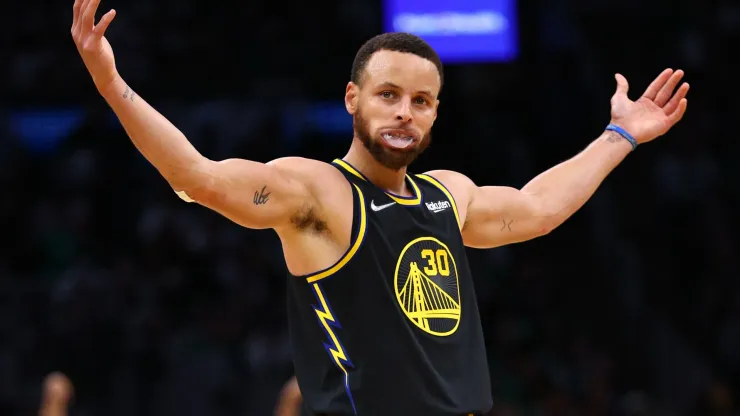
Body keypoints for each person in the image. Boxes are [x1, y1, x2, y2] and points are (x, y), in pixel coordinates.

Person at [70, 0, 689, 414]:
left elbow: (538, 206)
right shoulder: (314, 193)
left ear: (436, 113)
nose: (404, 111)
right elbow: (196, 176)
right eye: (388, 94)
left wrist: (620, 136)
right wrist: (110, 83)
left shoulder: (449, 193)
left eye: (421, 100)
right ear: (351, 99)